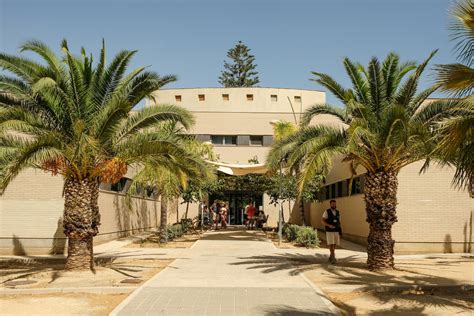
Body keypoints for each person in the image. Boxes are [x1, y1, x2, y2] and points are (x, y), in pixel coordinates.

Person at [321, 199, 342, 264]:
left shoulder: (338, 212)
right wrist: (329, 225)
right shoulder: (327, 212)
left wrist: (340, 230)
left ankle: (331, 256)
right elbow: (322, 220)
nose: (334, 205)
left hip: (336, 230)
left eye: (335, 204)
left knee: (334, 243)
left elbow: (339, 222)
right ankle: (333, 257)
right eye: (332, 204)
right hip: (329, 231)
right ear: (330, 204)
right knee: (331, 243)